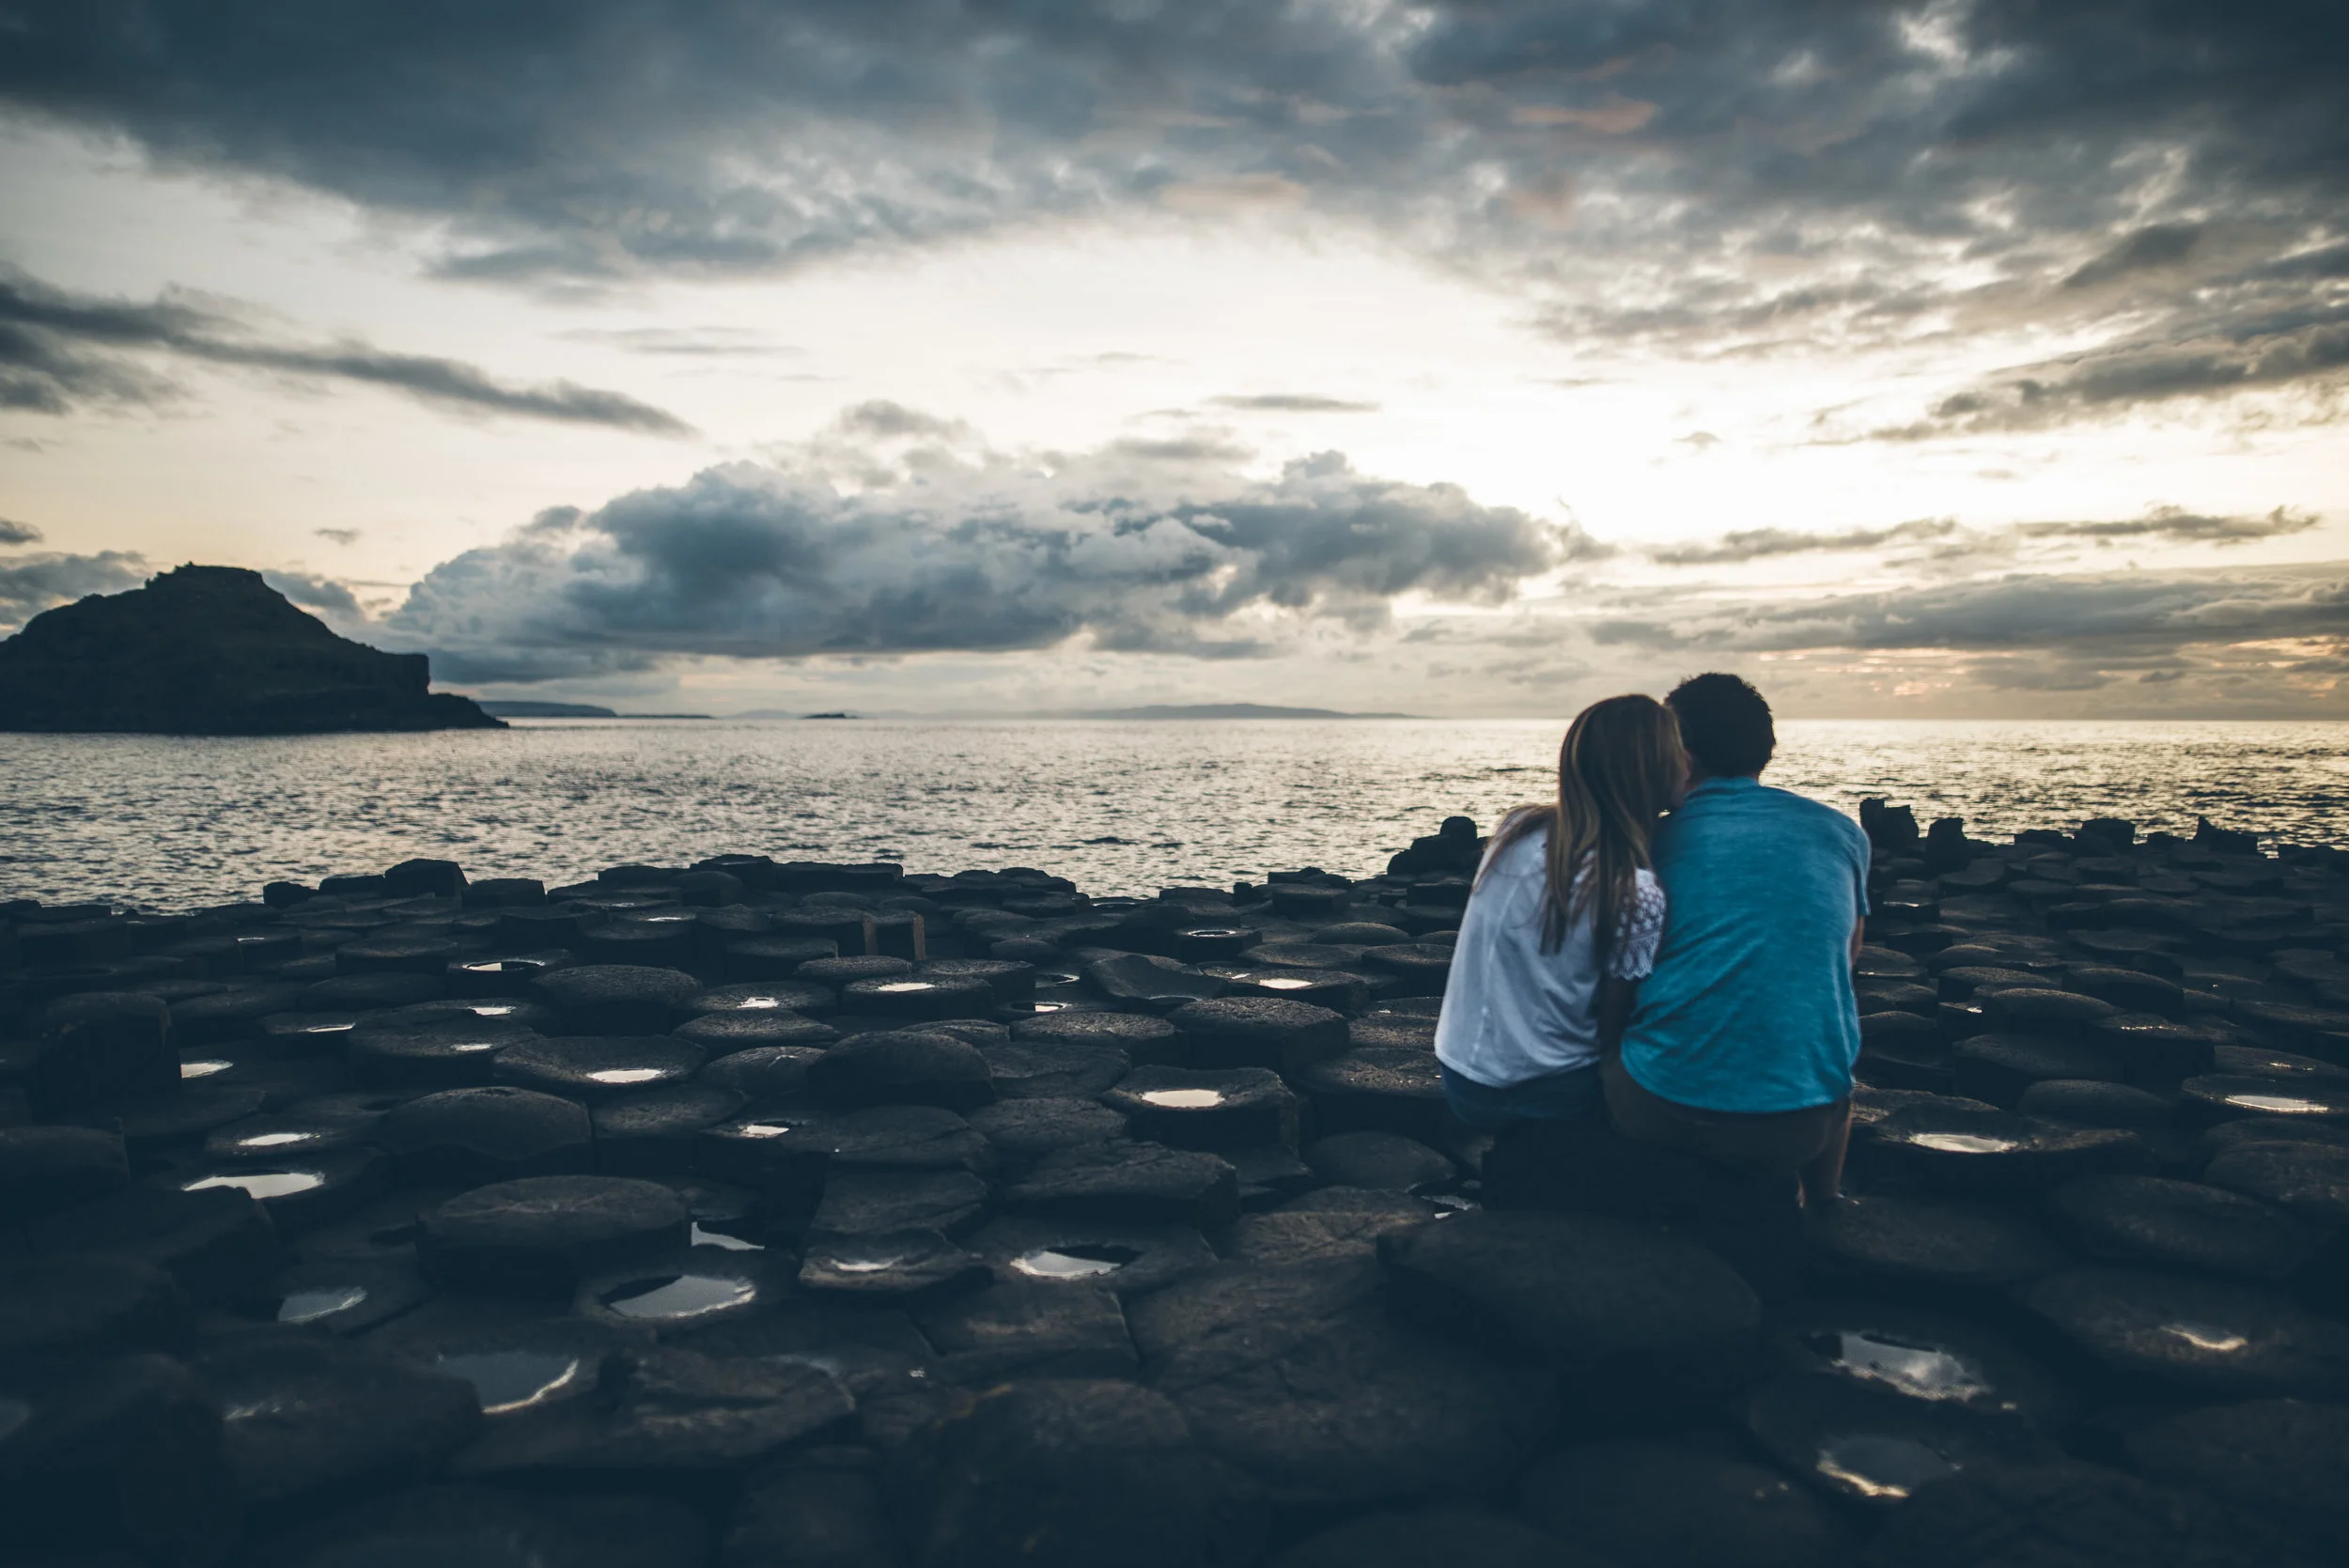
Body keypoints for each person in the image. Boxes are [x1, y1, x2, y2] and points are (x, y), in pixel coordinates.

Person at [1606, 672, 1868, 1204]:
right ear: (1764, 750)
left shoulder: (1651, 839)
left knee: (1609, 1049)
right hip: (1800, 1127)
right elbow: (1847, 955)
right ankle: (1823, 1203)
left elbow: (1622, 972)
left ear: (1678, 752)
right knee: (1833, 1059)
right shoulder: (1842, 831)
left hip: (1662, 1108)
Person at [1434, 694, 1686, 1127]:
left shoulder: (1516, 830)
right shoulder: (1635, 891)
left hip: (1460, 1072)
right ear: (1657, 770)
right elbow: (1614, 1031)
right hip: (1542, 1093)